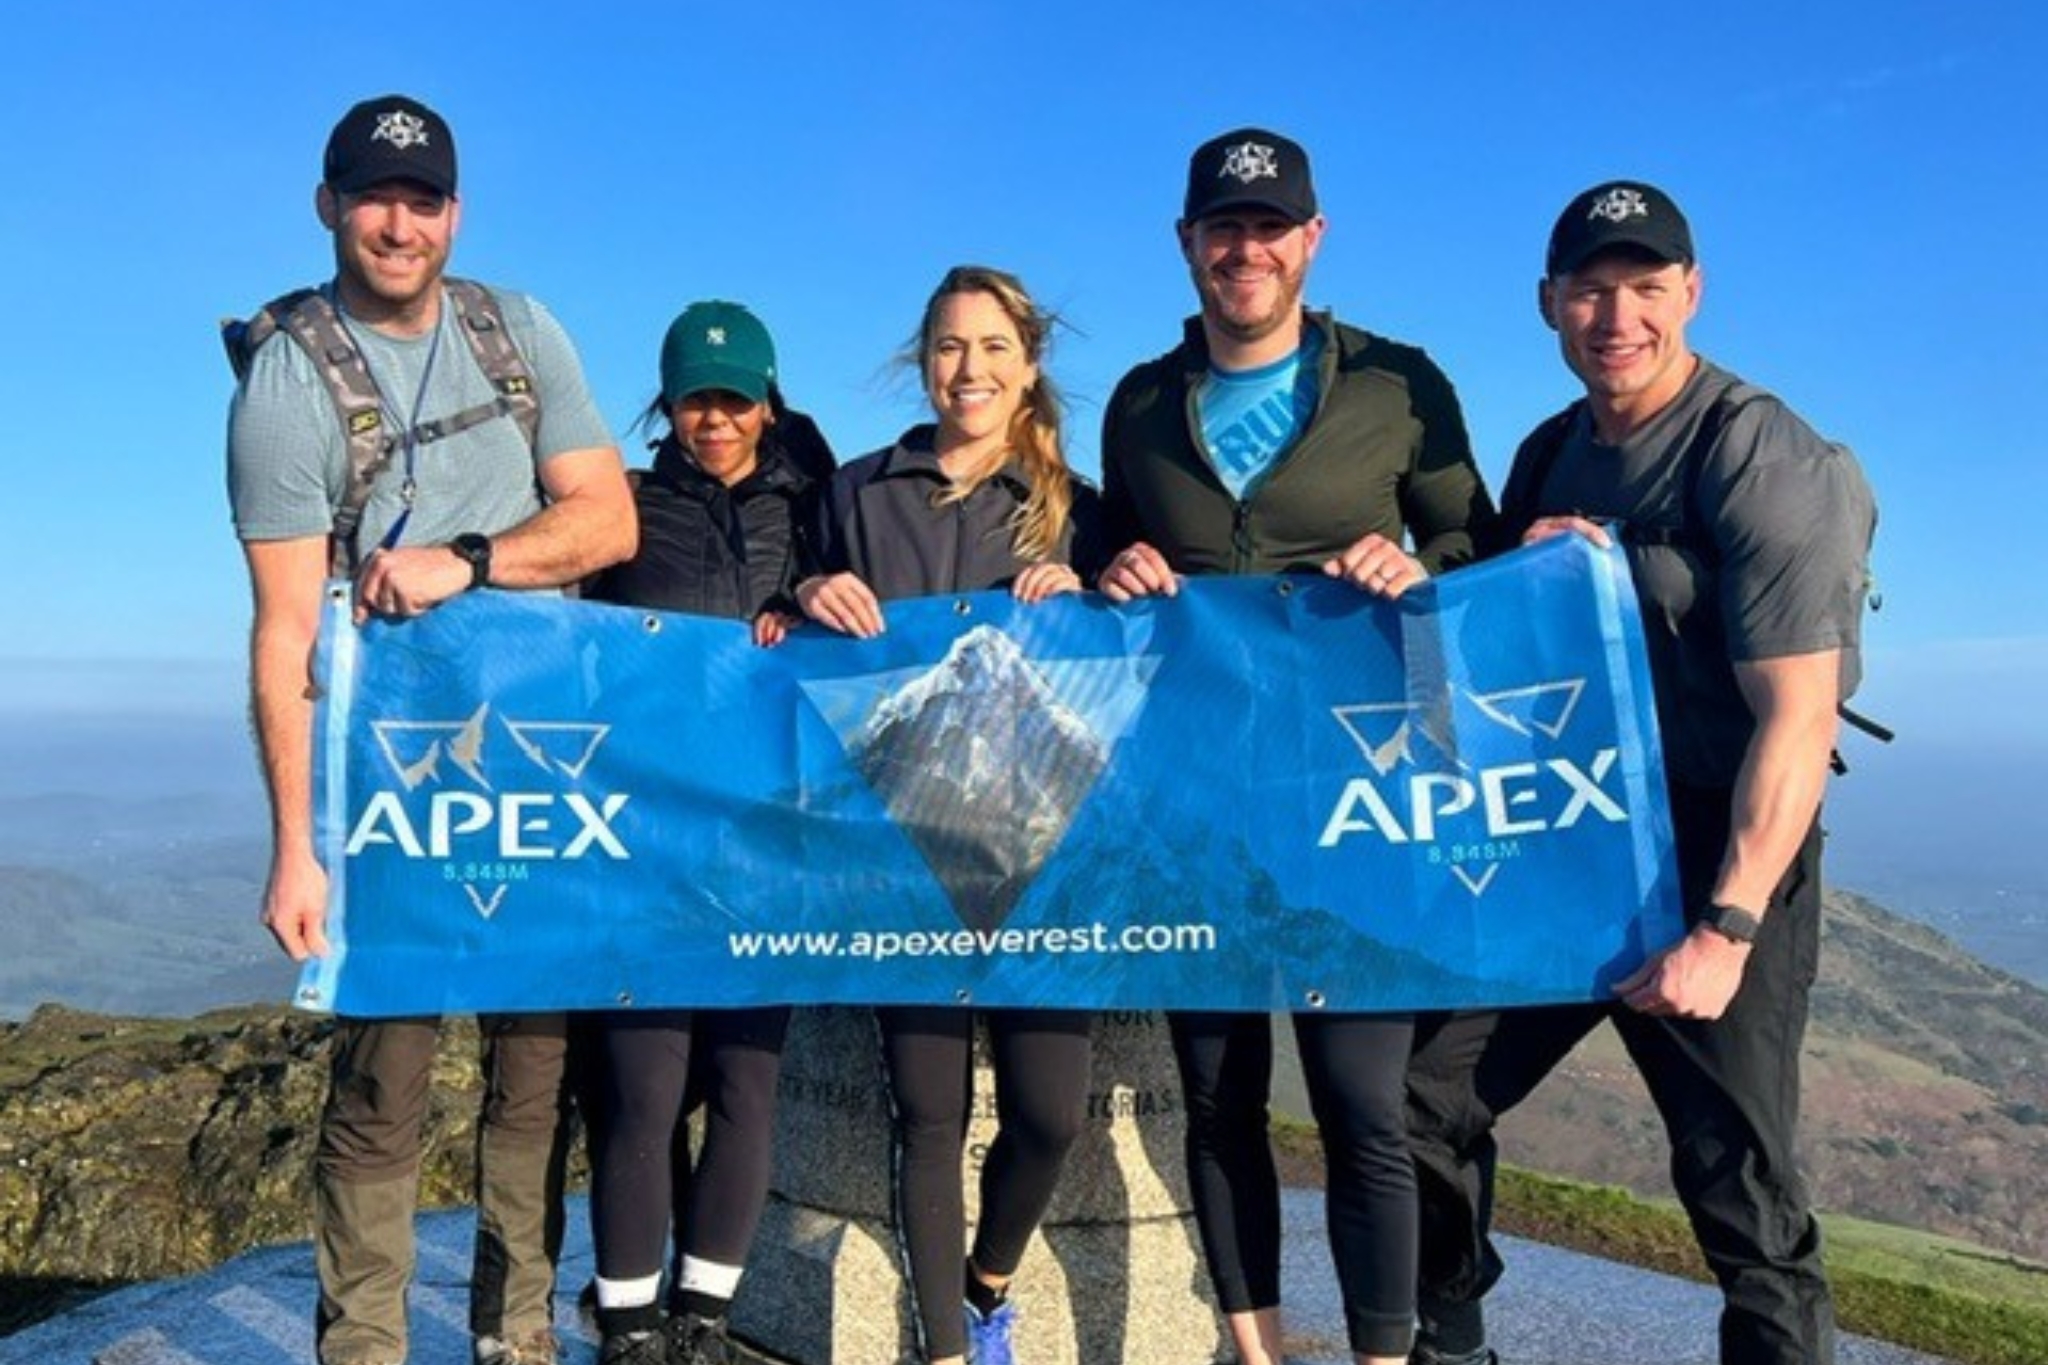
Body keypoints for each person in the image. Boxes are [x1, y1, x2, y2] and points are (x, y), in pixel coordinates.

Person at [1403, 181, 1877, 1365]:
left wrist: (1723, 926)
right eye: (1588, 289)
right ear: (1547, 304)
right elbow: (1501, 646)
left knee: (1737, 1187)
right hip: (1570, 834)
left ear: (1689, 294)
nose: (1616, 315)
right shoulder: (1548, 453)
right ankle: (1450, 1341)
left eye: (1644, 288)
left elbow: (1795, 715)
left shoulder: (1757, 452)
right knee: (1422, 1100)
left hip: (1721, 843)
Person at [226, 94, 635, 1365]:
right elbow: (285, 632)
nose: (397, 225)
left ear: (453, 213)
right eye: (371, 197)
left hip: (543, 751)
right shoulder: (289, 384)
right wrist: (295, 847)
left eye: (421, 201)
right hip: (391, 774)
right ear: (328, 207)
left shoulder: (519, 334)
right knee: (381, 1086)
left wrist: (468, 558)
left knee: (531, 1081)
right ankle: (364, 1348)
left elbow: (605, 522)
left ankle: (515, 1336)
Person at [1097, 127, 1493, 1365]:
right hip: (1194, 804)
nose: (1244, 248)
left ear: (1310, 241)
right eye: (1222, 227)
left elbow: (1475, 548)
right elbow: (1102, 550)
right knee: (1218, 1105)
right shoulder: (1139, 403)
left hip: (1361, 793)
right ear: (1186, 246)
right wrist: (1108, 566)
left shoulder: (1398, 386)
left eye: (1269, 227)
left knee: (1363, 1107)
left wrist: (1414, 566)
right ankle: (1257, 1353)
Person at [797, 264, 1103, 1365]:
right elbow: (782, 623)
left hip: (1041, 852)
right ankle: (945, 1348)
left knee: (1050, 1114)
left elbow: (1137, 655)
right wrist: (802, 598)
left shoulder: (1079, 506)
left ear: (1027, 367)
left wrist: (1091, 600)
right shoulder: (856, 492)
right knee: (925, 1114)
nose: (966, 370)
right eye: (946, 347)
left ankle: (985, 1286)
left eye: (990, 348)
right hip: (898, 849)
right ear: (919, 361)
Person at [578, 301, 826, 1365]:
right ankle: (628, 1324)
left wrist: (812, 595)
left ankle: (703, 1320)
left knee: (742, 1082)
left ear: (768, 402)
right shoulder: (626, 510)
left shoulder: (816, 510)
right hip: (642, 840)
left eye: (733, 398)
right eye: (694, 399)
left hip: (772, 841)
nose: (713, 419)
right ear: (666, 405)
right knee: (638, 1088)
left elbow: (878, 602)